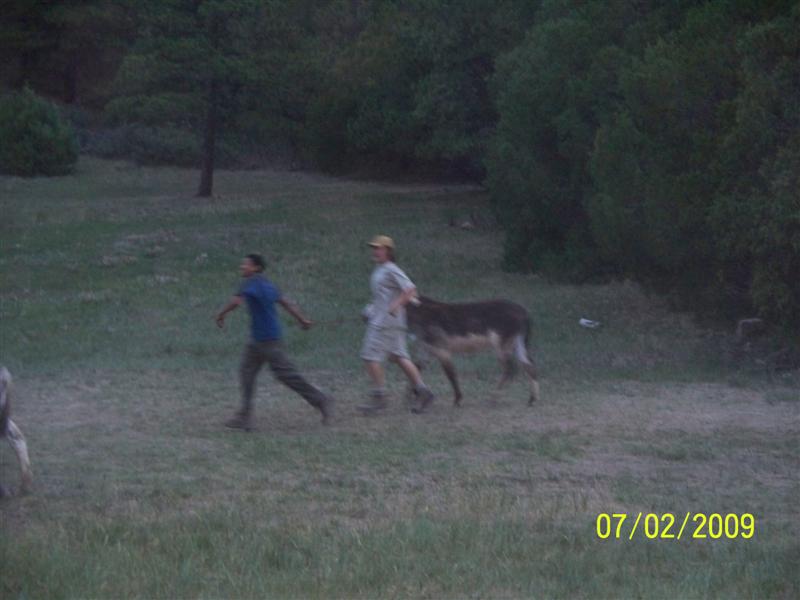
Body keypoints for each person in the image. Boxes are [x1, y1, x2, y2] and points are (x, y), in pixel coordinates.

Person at [215, 253, 334, 430]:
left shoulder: (249, 283)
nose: (242, 267)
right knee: (247, 373)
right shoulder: (269, 285)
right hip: (263, 339)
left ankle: (321, 400)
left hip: (265, 341)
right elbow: (286, 303)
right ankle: (244, 417)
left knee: (286, 375)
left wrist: (221, 314)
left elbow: (236, 302)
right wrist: (302, 320)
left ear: (256, 268)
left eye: (246, 264)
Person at [358, 235, 434, 414]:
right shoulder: (380, 269)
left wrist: (396, 304)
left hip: (385, 323)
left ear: (388, 251)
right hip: (386, 320)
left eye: (378, 248)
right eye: (374, 248)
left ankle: (380, 398)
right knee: (400, 356)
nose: (375, 251)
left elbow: (410, 290)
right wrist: (370, 309)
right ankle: (424, 392)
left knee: (370, 357)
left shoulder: (392, 269)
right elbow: (382, 296)